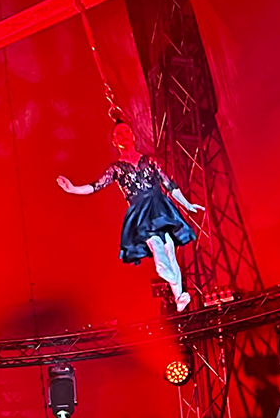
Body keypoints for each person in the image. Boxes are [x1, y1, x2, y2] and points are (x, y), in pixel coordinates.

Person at [56, 121, 206, 312]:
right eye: (119, 134)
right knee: (159, 249)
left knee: (170, 251)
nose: (124, 135)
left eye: (126, 131)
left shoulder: (150, 161)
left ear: (133, 135)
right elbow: (96, 186)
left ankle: (179, 296)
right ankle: (166, 277)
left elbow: (169, 184)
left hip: (160, 207)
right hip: (141, 212)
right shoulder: (117, 168)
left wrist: (186, 203)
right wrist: (73, 189)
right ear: (114, 141)